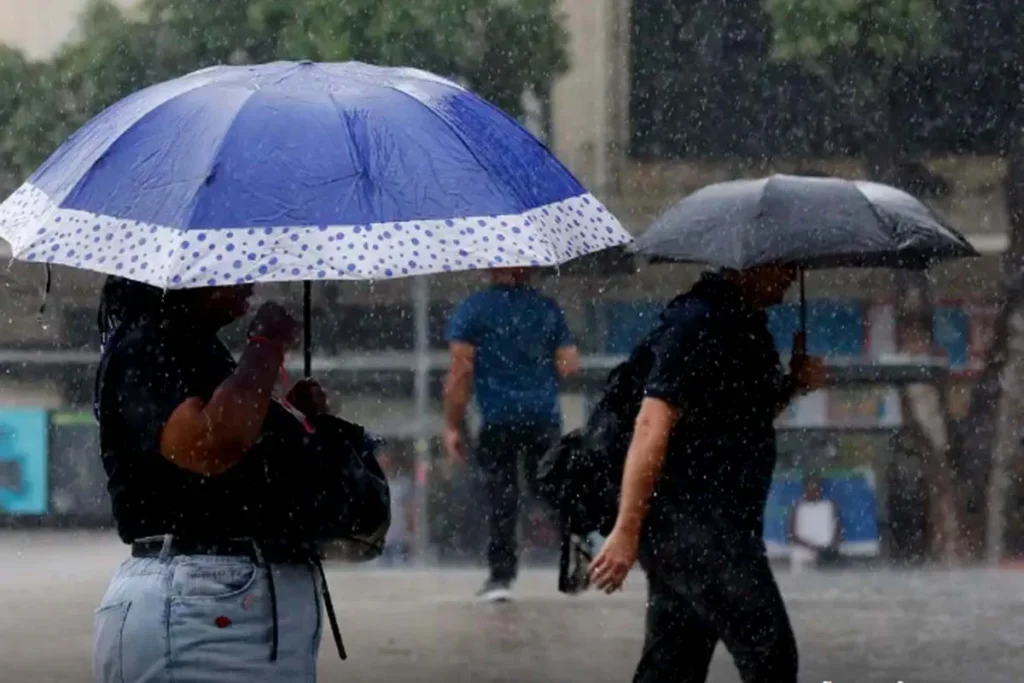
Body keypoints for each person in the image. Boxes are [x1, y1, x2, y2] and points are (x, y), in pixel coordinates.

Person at [91, 276, 386, 683]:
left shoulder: (194, 348)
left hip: (228, 610)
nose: (251, 280)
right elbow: (211, 442)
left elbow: (234, 455)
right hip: (205, 611)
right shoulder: (146, 348)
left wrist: (289, 418)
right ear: (189, 277)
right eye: (235, 269)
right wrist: (265, 346)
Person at [589, 266, 827, 683]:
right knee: (768, 650)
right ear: (748, 266)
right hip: (698, 526)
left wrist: (793, 384)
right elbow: (651, 422)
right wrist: (626, 530)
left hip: (714, 525)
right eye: (783, 264)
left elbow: (740, 419)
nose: (792, 274)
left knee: (673, 667)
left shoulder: (744, 326)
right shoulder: (697, 321)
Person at [442, 267, 580, 601]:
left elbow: (461, 371)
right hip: (542, 416)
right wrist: (534, 368)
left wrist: (452, 424)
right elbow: (569, 365)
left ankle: (501, 577)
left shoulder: (472, 310)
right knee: (549, 489)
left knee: (500, 498)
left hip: (497, 419)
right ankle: (578, 552)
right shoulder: (547, 308)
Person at [787, 474, 843, 573]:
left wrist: (829, 547)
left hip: (826, 552)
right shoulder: (798, 507)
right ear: (805, 489)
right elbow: (792, 535)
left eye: (817, 487)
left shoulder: (829, 505)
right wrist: (813, 547)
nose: (814, 490)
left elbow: (838, 531)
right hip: (803, 551)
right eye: (811, 487)